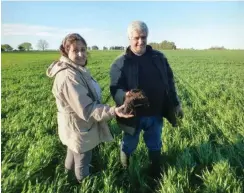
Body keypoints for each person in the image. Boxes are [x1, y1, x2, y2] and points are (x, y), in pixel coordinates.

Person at [46, 33, 132, 183]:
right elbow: (87, 109)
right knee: (83, 162)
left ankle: (67, 182)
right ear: (66, 52)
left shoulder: (76, 70)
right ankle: (84, 185)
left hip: (75, 127)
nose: (81, 54)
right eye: (75, 50)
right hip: (79, 128)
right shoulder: (69, 76)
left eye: (83, 49)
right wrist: (114, 111)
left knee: (73, 154)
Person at [109, 21, 184, 178]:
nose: (140, 41)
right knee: (129, 143)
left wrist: (176, 103)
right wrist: (125, 96)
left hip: (155, 112)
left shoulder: (159, 58)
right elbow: (114, 89)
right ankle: (125, 169)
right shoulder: (120, 63)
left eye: (144, 37)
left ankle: (155, 171)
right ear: (129, 38)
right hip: (132, 114)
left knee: (155, 142)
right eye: (136, 37)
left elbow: (170, 82)